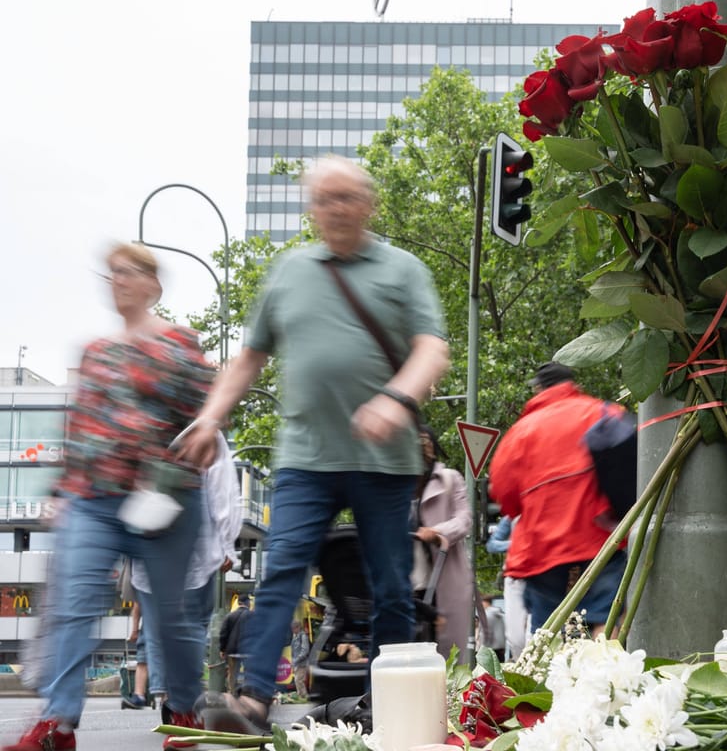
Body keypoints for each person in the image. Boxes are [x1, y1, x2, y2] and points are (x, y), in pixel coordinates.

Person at [179, 156, 450, 733]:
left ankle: (388, 703)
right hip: (305, 457)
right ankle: (253, 701)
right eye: (325, 199)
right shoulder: (289, 271)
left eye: (348, 197)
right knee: (281, 572)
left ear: (369, 204)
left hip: (384, 460)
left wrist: (396, 399)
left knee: (390, 586)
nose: (337, 208)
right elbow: (248, 358)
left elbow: (433, 350)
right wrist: (208, 420)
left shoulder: (403, 271)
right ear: (311, 209)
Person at [5, 243, 214, 751]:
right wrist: (60, 489)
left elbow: (208, 410)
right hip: (92, 498)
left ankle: (183, 708)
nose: (116, 280)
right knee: (74, 607)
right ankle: (58, 724)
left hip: (164, 500)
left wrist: (203, 434)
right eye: (111, 273)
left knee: (171, 616)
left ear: (152, 284)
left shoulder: (180, 344)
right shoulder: (95, 351)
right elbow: (78, 428)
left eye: (128, 272)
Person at [487, 363, 627, 633]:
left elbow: (505, 496)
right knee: (604, 620)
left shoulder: (521, 431)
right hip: (599, 540)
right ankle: (607, 672)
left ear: (539, 388)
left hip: (542, 547)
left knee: (546, 631)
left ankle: (545, 672)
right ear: (572, 384)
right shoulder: (601, 411)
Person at [130, 430, 242, 711]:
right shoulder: (203, 426)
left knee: (158, 630)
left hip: (148, 545)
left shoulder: (137, 421)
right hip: (194, 549)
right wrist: (227, 543)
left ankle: (170, 698)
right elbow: (223, 488)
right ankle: (182, 705)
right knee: (192, 625)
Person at [415, 437, 474, 664]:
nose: (423, 446)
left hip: (445, 579)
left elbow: (464, 520)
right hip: (408, 584)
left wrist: (437, 532)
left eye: (426, 442)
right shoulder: (395, 482)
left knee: (451, 658)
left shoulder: (449, 479)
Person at [486, 516, 529, 660]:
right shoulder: (513, 514)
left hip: (543, 577)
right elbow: (492, 544)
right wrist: (517, 544)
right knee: (515, 637)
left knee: (534, 634)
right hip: (515, 579)